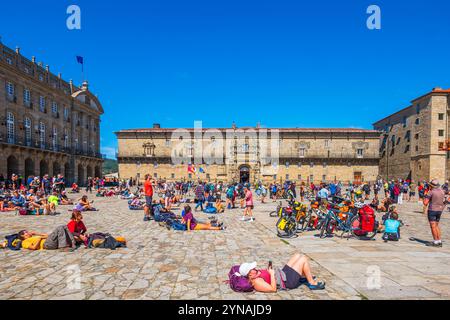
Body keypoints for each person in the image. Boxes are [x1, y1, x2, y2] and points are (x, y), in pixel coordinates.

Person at [239, 253, 325, 292]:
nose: (255, 268)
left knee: (297, 255)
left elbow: (267, 277)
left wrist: (269, 270)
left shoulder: (255, 274)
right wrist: (272, 274)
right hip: (287, 281)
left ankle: (302, 278)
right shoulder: (257, 282)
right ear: (249, 274)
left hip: (282, 274)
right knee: (303, 259)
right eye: (252, 269)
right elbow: (273, 289)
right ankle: (312, 283)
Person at [423, 179, 446, 247]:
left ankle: (435, 242)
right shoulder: (442, 191)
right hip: (440, 210)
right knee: (436, 225)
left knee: (433, 226)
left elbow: (425, 203)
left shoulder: (431, 192)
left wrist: (425, 196)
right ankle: (439, 241)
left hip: (432, 210)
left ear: (431, 185)